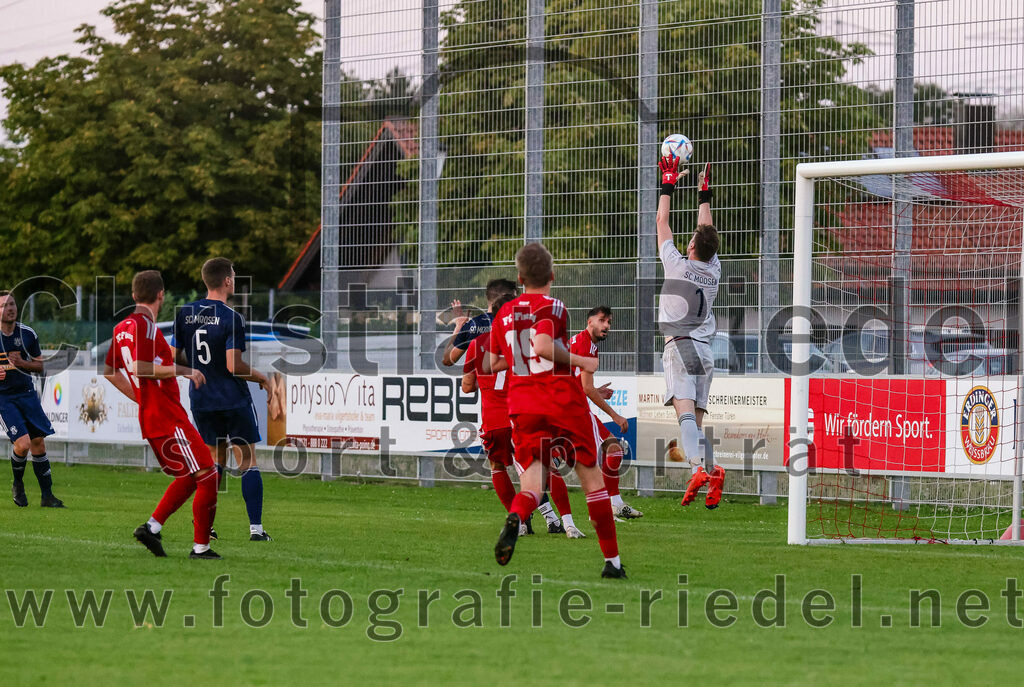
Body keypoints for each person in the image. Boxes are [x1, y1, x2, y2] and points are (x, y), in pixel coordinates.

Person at [490, 242, 626, 578]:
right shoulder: (553, 306)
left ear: (520, 277)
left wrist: (524, 355)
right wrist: (582, 360)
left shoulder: (504, 314)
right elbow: (543, 345)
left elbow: (493, 363)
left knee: (532, 485)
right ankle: (612, 563)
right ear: (551, 275)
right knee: (592, 480)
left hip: (522, 404)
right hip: (560, 400)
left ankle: (518, 517)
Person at [104, 270, 221, 559]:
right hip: (168, 415)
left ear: (133, 295)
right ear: (161, 295)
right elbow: (143, 367)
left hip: (152, 416)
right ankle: (200, 548)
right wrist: (186, 371)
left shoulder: (122, 328)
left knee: (189, 476)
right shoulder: (145, 326)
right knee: (208, 474)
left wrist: (141, 397)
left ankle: (152, 528)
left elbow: (109, 372)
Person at [462, 294, 584, 539]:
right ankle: (568, 523)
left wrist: (482, 384)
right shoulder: (525, 343)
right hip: (522, 415)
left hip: (493, 421)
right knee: (546, 466)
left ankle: (519, 523)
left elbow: (466, 386)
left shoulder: (476, 344)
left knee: (497, 467)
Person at [173, 257, 271, 541]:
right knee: (248, 461)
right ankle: (256, 529)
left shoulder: (185, 313)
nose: (235, 280)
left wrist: (195, 367)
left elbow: (173, 358)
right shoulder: (231, 317)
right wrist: (262, 377)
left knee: (214, 462)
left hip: (202, 399)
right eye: (234, 276)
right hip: (233, 399)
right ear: (227, 281)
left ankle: (208, 528)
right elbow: (233, 366)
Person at [657, 157, 725, 508]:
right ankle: (713, 473)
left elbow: (661, 221)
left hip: (680, 347)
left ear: (692, 247)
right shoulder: (714, 271)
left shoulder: (676, 263)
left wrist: (668, 183)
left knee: (684, 417)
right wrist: (704, 195)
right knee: (695, 427)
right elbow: (707, 234)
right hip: (705, 351)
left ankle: (699, 470)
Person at [569, 306, 643, 519]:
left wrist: (595, 391)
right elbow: (587, 388)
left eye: (609, 322)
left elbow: (580, 384)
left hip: (566, 405)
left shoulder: (584, 343)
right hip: (570, 410)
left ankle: (612, 505)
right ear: (589, 321)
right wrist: (615, 415)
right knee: (613, 451)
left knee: (549, 464)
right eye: (602, 320)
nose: (607, 326)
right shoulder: (585, 344)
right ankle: (607, 508)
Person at [0, 291, 63, 508]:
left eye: (12, 304)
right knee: (24, 443)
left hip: (27, 393)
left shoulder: (27, 334)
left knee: (38, 441)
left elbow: (41, 365)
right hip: (4, 398)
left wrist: (22, 364)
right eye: (4, 305)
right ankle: (18, 483)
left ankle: (47, 496)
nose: (10, 308)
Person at [441, 278, 516, 368]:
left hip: (481, 380)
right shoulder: (520, 322)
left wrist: (459, 326)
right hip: (514, 381)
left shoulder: (473, 325)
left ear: (488, 298)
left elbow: (447, 360)